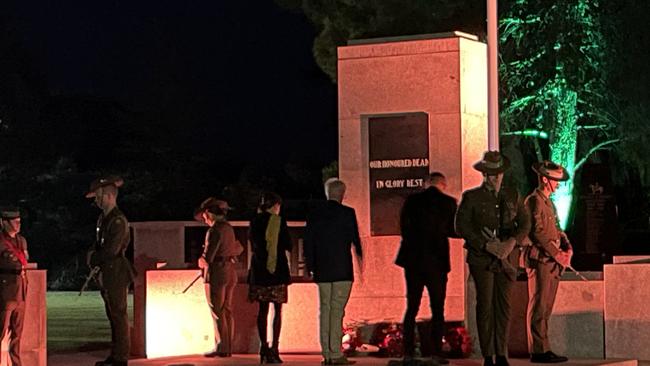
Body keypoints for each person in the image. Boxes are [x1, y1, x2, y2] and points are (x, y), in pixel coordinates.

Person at [455, 151, 530, 366]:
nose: (493, 178)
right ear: (484, 175)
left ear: (502, 174)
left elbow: (525, 223)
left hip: (507, 258)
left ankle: (501, 353)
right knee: (485, 305)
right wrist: (485, 244)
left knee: (504, 307)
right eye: (489, 174)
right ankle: (488, 354)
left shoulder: (513, 195)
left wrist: (511, 242)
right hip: (482, 259)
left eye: (497, 174)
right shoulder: (472, 197)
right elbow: (462, 226)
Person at [396, 172, 458, 366]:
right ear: (443, 184)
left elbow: (404, 228)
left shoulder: (412, 201)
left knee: (412, 306)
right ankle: (436, 354)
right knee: (437, 308)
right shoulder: (448, 202)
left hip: (413, 261)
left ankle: (408, 353)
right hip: (437, 261)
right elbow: (452, 230)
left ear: (427, 184)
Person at [304, 178, 363, 366]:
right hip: (342, 270)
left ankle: (326, 354)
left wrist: (310, 266)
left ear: (326, 192)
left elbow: (308, 242)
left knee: (325, 310)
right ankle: (336, 353)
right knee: (337, 311)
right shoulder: (348, 213)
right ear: (343, 194)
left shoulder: (315, 213)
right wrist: (360, 262)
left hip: (322, 270)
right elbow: (355, 240)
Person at [525, 161, 572, 363]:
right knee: (540, 305)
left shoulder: (549, 202)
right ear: (545, 179)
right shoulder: (534, 201)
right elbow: (537, 232)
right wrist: (556, 253)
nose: (559, 185)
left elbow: (557, 228)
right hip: (541, 259)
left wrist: (567, 247)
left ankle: (544, 347)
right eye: (556, 181)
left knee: (546, 306)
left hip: (551, 261)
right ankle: (538, 350)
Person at [86, 176, 134, 366]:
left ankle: (121, 357)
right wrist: (91, 255)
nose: (96, 201)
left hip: (116, 271)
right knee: (112, 314)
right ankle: (115, 354)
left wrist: (93, 258)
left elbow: (111, 250)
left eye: (98, 196)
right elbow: (98, 245)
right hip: (107, 272)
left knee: (119, 315)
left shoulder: (118, 220)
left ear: (109, 196)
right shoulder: (103, 219)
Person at [194, 197, 243, 358]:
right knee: (227, 309)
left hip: (217, 273)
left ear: (209, 213)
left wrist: (200, 260)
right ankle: (228, 346)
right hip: (230, 271)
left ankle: (221, 346)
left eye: (205, 215)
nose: (204, 219)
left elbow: (208, 257)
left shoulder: (214, 230)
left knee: (217, 311)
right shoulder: (228, 228)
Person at [248, 192, 292, 364]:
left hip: (259, 272)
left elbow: (254, 245)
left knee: (262, 311)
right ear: (275, 205)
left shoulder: (254, 221)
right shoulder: (278, 222)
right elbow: (288, 244)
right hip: (277, 272)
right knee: (277, 312)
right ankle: (275, 348)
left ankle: (263, 347)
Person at [0, 207, 29, 366]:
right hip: (5, 291)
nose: (18, 225)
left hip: (21, 291)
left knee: (17, 335)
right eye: (15, 222)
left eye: (19, 221)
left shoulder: (21, 240)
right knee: (2, 332)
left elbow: (25, 259)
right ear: (4, 223)